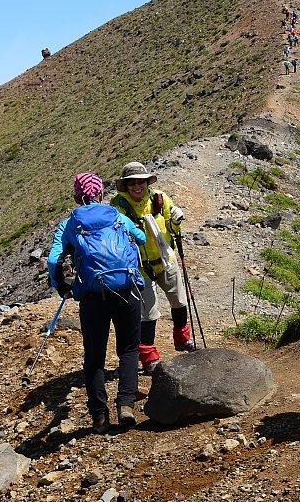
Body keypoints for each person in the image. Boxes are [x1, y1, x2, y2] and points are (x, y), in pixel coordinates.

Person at [47, 172, 146, 431]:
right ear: (101, 193)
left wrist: (61, 286)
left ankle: (99, 417)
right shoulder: (116, 215)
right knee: (128, 349)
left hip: (93, 297)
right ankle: (125, 405)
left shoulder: (70, 223)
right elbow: (143, 238)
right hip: (126, 289)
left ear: (77, 196)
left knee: (94, 357)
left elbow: (52, 260)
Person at [111, 162, 195, 374]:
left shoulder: (160, 199)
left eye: (141, 182)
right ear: (126, 185)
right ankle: (149, 358)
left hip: (165, 259)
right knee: (148, 313)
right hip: (139, 266)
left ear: (148, 182)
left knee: (179, 301)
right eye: (132, 183)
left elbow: (172, 228)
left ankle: (182, 340)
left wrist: (177, 221)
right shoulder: (119, 206)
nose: (137, 187)